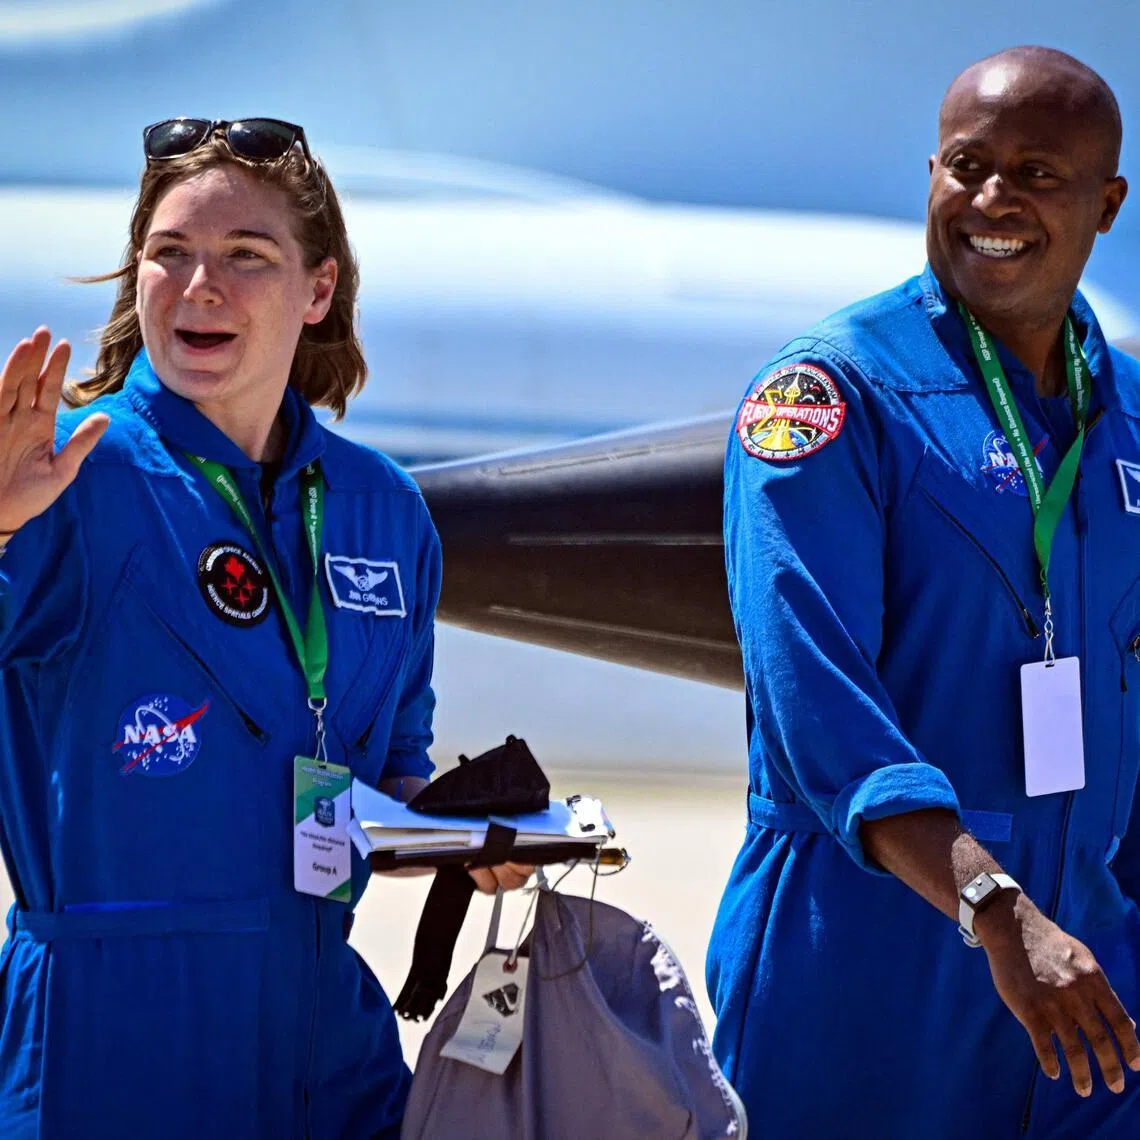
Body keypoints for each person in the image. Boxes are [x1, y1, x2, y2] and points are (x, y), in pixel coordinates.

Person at [0, 118, 528, 1139]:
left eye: (246, 257)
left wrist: (469, 833)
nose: (200, 286)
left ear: (318, 291)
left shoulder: (380, 508)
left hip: (323, 1044)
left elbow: (385, 779)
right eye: (171, 254)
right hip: (108, 1053)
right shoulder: (63, 472)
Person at [707, 47, 1140, 1140]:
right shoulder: (827, 397)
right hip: (870, 966)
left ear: (1108, 204)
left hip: (1085, 969)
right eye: (966, 165)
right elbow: (822, 707)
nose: (993, 199)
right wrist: (997, 914)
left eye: (1037, 173)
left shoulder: (1127, 408)